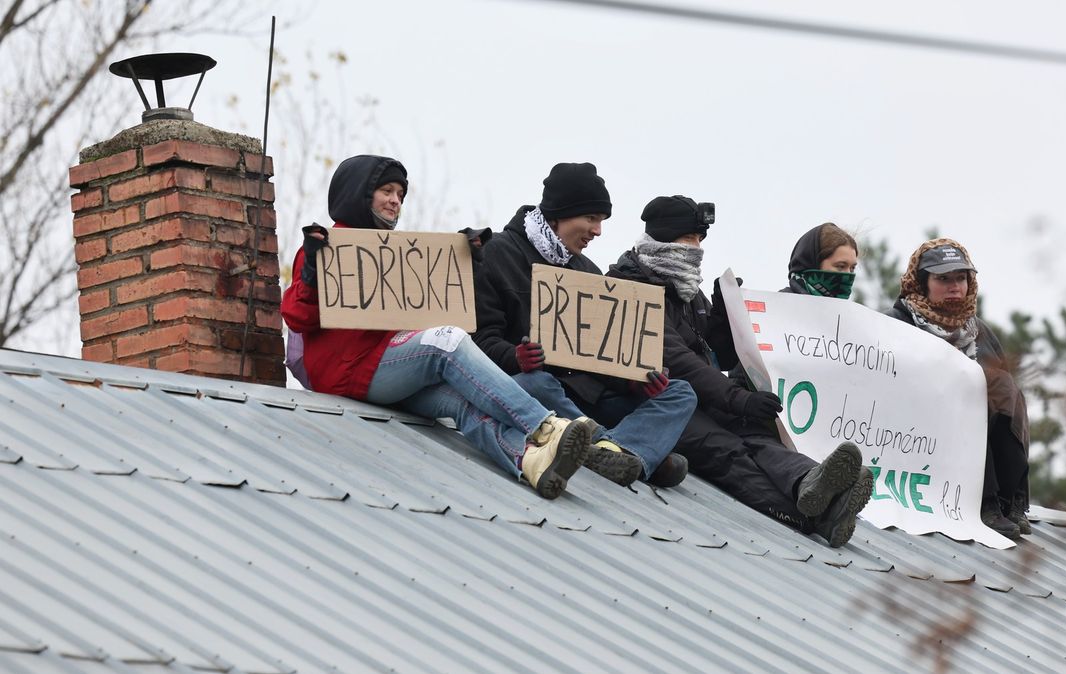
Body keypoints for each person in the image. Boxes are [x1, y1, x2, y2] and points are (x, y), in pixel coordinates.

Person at [281, 154, 593, 499]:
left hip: (387, 368)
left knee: (460, 401)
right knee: (447, 342)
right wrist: (312, 269)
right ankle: (542, 426)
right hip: (349, 369)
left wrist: (463, 266)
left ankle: (527, 459)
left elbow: (427, 312)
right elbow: (297, 316)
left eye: (400, 194)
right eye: (386, 190)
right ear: (359, 193)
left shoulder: (396, 252)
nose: (395, 201)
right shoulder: (328, 245)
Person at [607, 198, 872, 546]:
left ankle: (810, 479)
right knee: (727, 451)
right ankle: (812, 517)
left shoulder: (687, 291)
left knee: (757, 435)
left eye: (700, 240)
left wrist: (722, 315)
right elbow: (678, 359)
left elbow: (710, 352)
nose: (697, 249)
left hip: (703, 399)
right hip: (657, 402)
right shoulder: (631, 289)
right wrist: (739, 400)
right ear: (665, 239)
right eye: (689, 239)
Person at [473, 162, 697, 488]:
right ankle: (628, 450)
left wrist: (634, 380)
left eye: (601, 221)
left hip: (590, 398)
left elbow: (605, 356)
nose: (598, 231)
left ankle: (613, 447)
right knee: (534, 381)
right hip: (538, 391)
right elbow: (478, 337)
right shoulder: (496, 254)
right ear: (559, 214)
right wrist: (514, 357)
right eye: (591, 219)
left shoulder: (589, 273)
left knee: (681, 392)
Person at [883, 238, 1031, 539]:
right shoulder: (896, 325)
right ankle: (983, 502)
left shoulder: (979, 331)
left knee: (1005, 388)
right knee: (966, 387)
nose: (954, 287)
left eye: (961, 278)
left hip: (976, 442)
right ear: (922, 283)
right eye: (943, 279)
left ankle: (1011, 500)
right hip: (916, 441)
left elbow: (1007, 404)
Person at [783, 222, 859, 297]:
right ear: (811, 264)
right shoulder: (778, 306)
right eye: (841, 266)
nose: (848, 275)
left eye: (852, 268)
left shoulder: (847, 309)